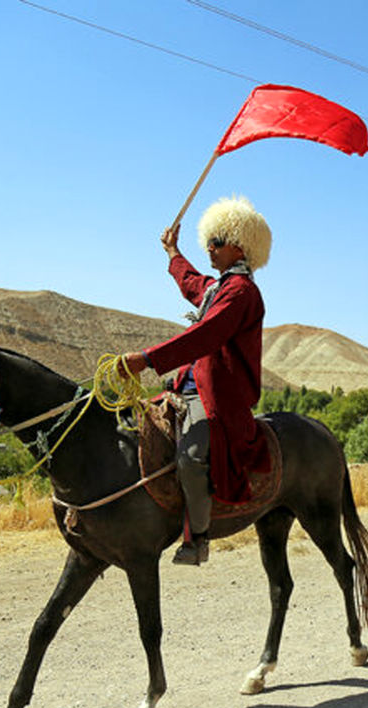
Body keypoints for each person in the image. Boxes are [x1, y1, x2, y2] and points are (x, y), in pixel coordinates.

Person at [122, 196, 272, 566]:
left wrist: (147, 359)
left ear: (241, 244)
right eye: (210, 239)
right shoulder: (218, 289)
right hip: (189, 385)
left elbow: (205, 335)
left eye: (217, 240)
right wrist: (173, 252)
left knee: (190, 458)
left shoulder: (241, 293)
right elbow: (191, 282)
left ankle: (198, 537)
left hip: (220, 395)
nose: (210, 247)